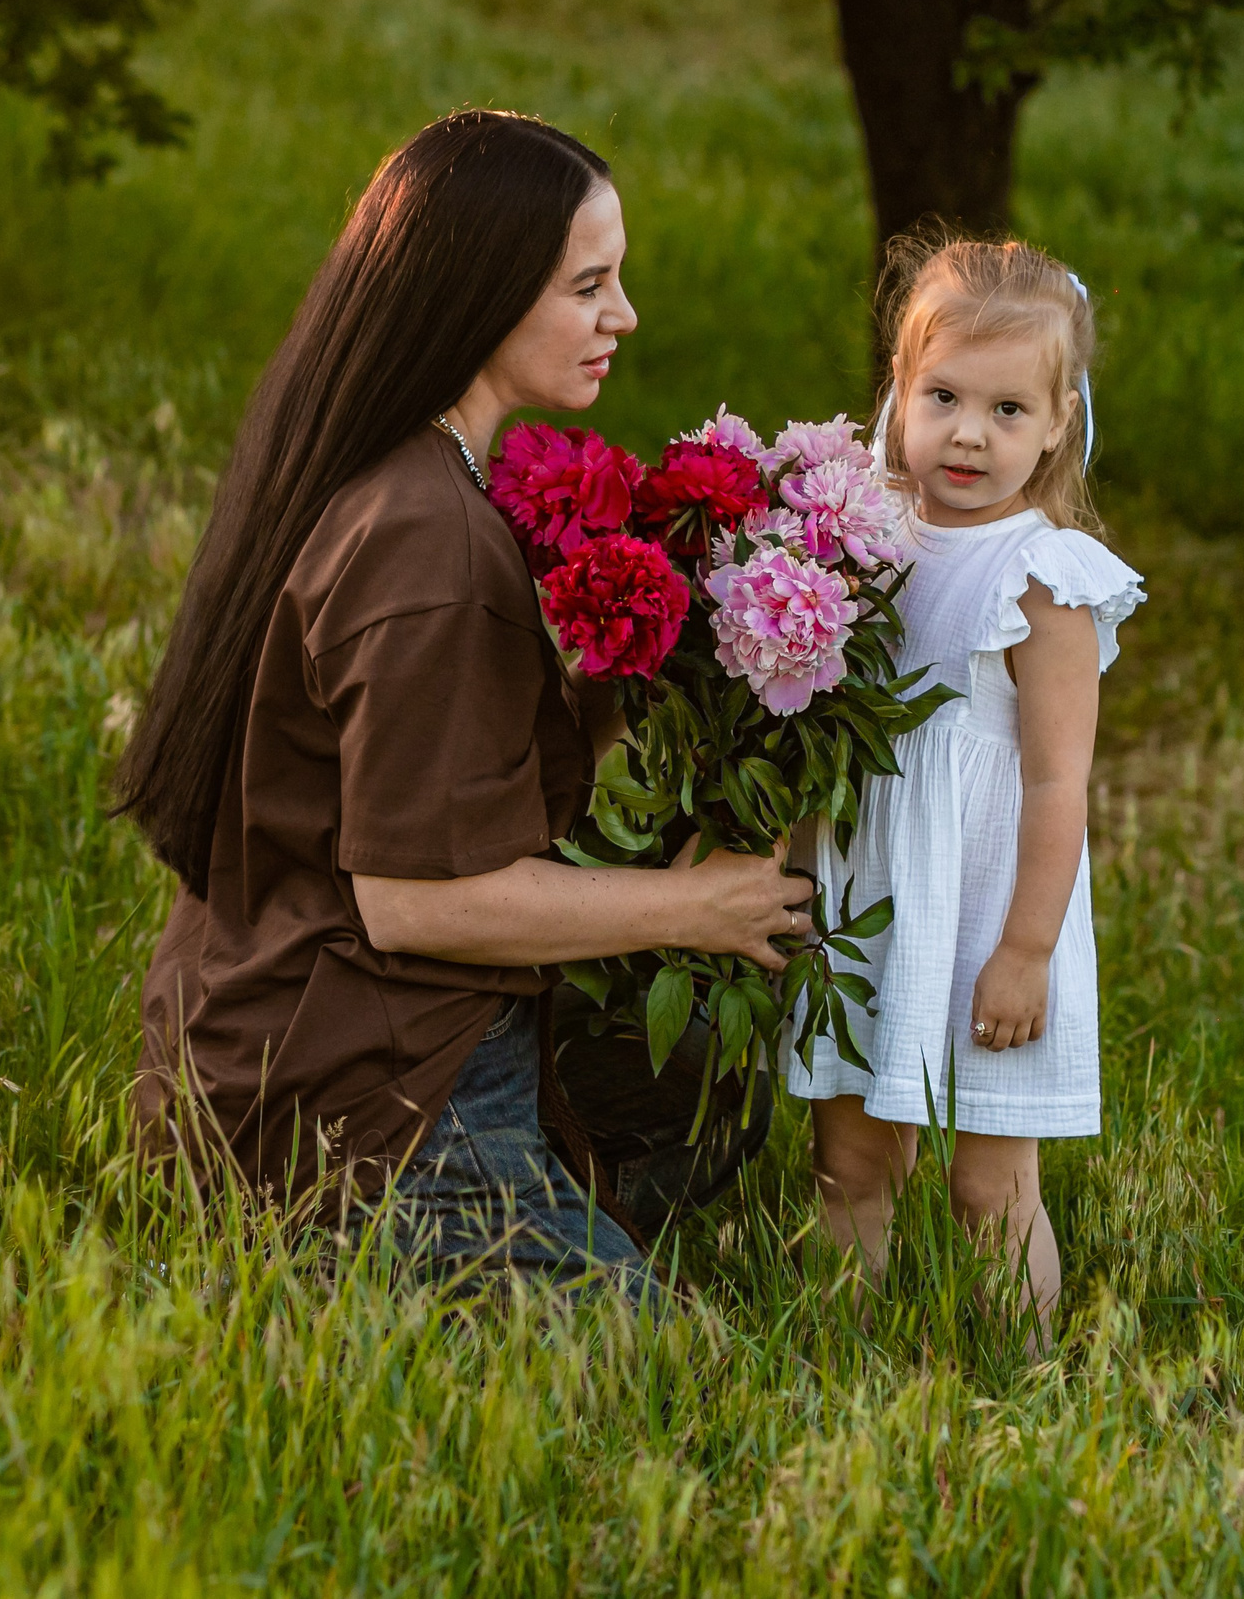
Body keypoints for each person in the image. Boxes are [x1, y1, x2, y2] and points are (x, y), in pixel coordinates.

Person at [114, 110, 812, 1304]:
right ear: (480, 292)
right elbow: (415, 900)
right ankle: (357, 1250)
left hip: (283, 1038)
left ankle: (513, 1212)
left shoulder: (388, 467)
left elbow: (431, 776)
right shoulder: (425, 540)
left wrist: (631, 668)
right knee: (669, 1396)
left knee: (695, 1081)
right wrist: (696, 904)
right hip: (368, 1103)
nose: (624, 315)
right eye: (588, 284)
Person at [788, 237, 1146, 1333]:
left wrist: (1026, 952)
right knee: (851, 1158)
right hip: (873, 901)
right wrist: (797, 869)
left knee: (989, 1185)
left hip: (992, 913)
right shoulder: (859, 544)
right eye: (941, 397)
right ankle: (835, 1361)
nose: (968, 434)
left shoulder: (1046, 579)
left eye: (1006, 411)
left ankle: (1021, 1380)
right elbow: (819, 725)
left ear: (1055, 428)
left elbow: (1052, 784)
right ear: (897, 393)